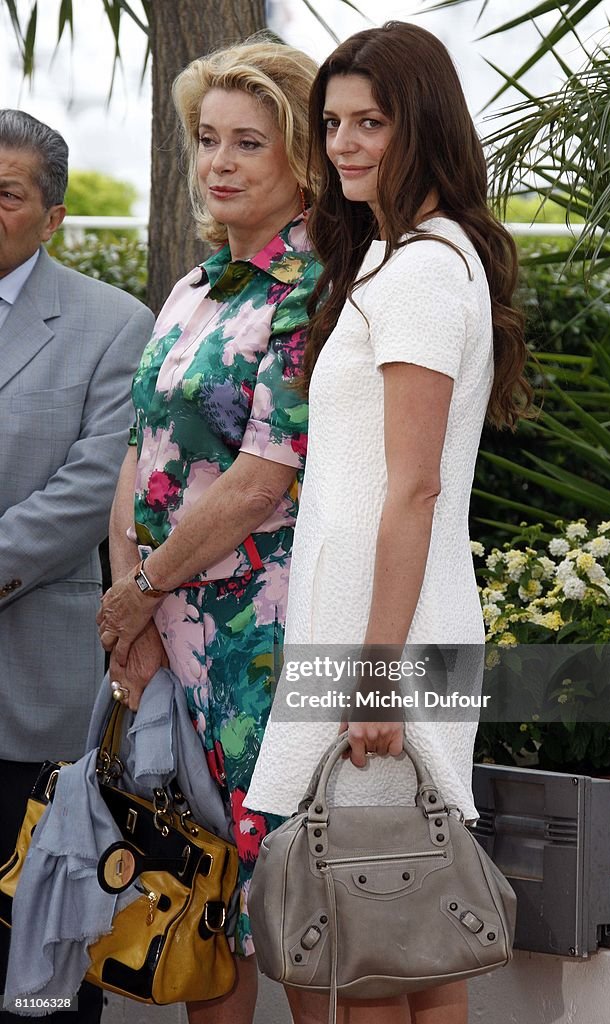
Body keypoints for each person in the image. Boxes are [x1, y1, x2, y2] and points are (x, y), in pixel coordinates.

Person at [245, 22, 532, 1024]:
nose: (343, 143)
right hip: (388, 623)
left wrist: (373, 671)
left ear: (424, 125)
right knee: (400, 925)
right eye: (331, 122)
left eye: (371, 121)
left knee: (365, 941)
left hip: (382, 637)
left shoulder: (414, 271)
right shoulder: (414, 257)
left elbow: (410, 491)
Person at [96, 41, 320, 1024]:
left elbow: (260, 480)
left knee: (298, 922)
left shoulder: (312, 289)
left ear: (302, 159)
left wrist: (141, 589)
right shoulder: (191, 289)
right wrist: (130, 614)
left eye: (248, 144)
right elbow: (137, 456)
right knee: (200, 914)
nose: (218, 163)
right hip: (166, 648)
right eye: (206, 140)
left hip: (260, 651)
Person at [0, 110, 155, 1022]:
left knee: (40, 961)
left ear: (52, 217)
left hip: (36, 695)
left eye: (7, 195)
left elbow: (89, 491)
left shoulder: (112, 324)